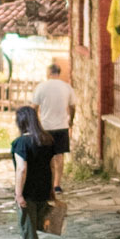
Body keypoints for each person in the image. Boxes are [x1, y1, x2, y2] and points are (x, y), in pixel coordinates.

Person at [11, 105, 55, 239]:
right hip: (43, 187)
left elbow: (21, 169)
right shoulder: (47, 140)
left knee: (28, 228)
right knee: (35, 226)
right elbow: (51, 166)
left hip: (28, 190)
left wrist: (18, 194)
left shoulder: (20, 143)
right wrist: (52, 188)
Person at [32, 61, 76, 195]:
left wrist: (35, 124)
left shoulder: (41, 87)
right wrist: (71, 121)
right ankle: (57, 185)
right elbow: (73, 107)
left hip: (45, 126)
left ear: (49, 73)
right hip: (62, 126)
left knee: (47, 156)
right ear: (58, 73)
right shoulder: (67, 87)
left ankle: (48, 184)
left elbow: (34, 108)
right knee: (59, 155)